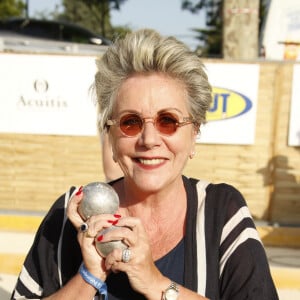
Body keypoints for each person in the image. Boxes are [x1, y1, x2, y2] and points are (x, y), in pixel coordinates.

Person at [11, 29, 279, 300]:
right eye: (130, 122)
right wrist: (89, 275)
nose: (149, 139)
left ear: (194, 132)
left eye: (168, 121)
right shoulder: (69, 216)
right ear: (111, 136)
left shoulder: (222, 214)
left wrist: (155, 283)